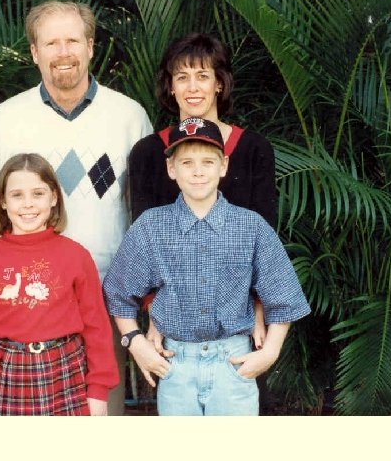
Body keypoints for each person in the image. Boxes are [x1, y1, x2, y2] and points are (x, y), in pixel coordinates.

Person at [0, 1, 153, 414]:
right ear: (35, 53)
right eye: (51, 43)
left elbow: (144, 216)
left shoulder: (128, 117)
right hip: (28, 306)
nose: (63, 52)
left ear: (90, 46)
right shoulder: (5, 120)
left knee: (101, 411)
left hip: (107, 296)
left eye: (72, 40)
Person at [103, 118, 310, 415]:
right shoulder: (151, 227)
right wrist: (135, 342)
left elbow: (284, 296)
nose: (198, 171)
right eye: (186, 162)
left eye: (208, 162)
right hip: (175, 365)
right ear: (171, 169)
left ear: (224, 166)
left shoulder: (250, 226)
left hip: (233, 364)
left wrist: (271, 352)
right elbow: (118, 292)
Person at [128, 33, 276, 405]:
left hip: (240, 325)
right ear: (170, 86)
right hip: (177, 327)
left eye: (203, 76)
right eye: (182, 77)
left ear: (219, 83)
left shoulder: (253, 149)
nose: (192, 87)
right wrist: (154, 318)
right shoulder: (148, 153)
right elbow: (146, 249)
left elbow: (265, 244)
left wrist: (259, 312)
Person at [0, 153, 119, 415]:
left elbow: (96, 327)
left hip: (65, 372)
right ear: (3, 202)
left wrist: (98, 388)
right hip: (6, 372)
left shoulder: (76, 256)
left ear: (54, 198)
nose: (28, 204)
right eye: (17, 195)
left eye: (38, 194)